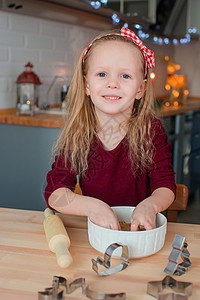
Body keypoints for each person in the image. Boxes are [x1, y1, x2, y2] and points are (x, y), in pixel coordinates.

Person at [44, 27, 176, 231]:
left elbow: (165, 186)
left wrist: (150, 205)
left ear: (140, 89)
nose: (113, 83)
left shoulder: (152, 130)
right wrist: (92, 207)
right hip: (95, 233)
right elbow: (55, 194)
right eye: (102, 74)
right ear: (87, 85)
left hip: (139, 231)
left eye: (125, 76)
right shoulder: (78, 134)